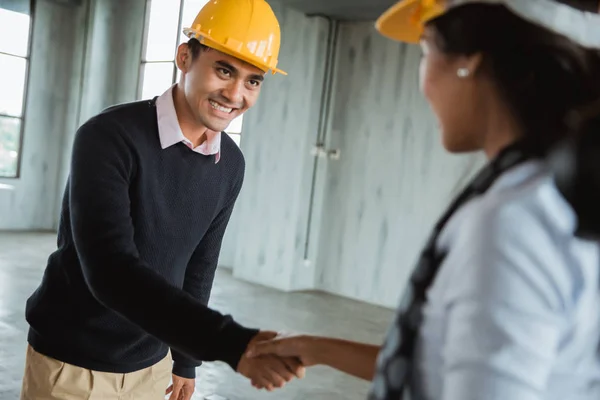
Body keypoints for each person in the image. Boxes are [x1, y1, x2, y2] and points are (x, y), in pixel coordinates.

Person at [246, 0, 600, 399]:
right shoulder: (555, 189)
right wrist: (319, 348)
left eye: (425, 51)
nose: (423, 81)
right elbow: (450, 364)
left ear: (471, 62)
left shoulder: (512, 221)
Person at [19, 1, 304, 399]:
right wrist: (230, 343)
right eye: (224, 70)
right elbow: (110, 270)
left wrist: (185, 359)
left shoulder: (230, 164)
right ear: (185, 57)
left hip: (154, 368)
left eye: (253, 81)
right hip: (73, 365)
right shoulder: (108, 136)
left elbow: (200, 265)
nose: (236, 94)